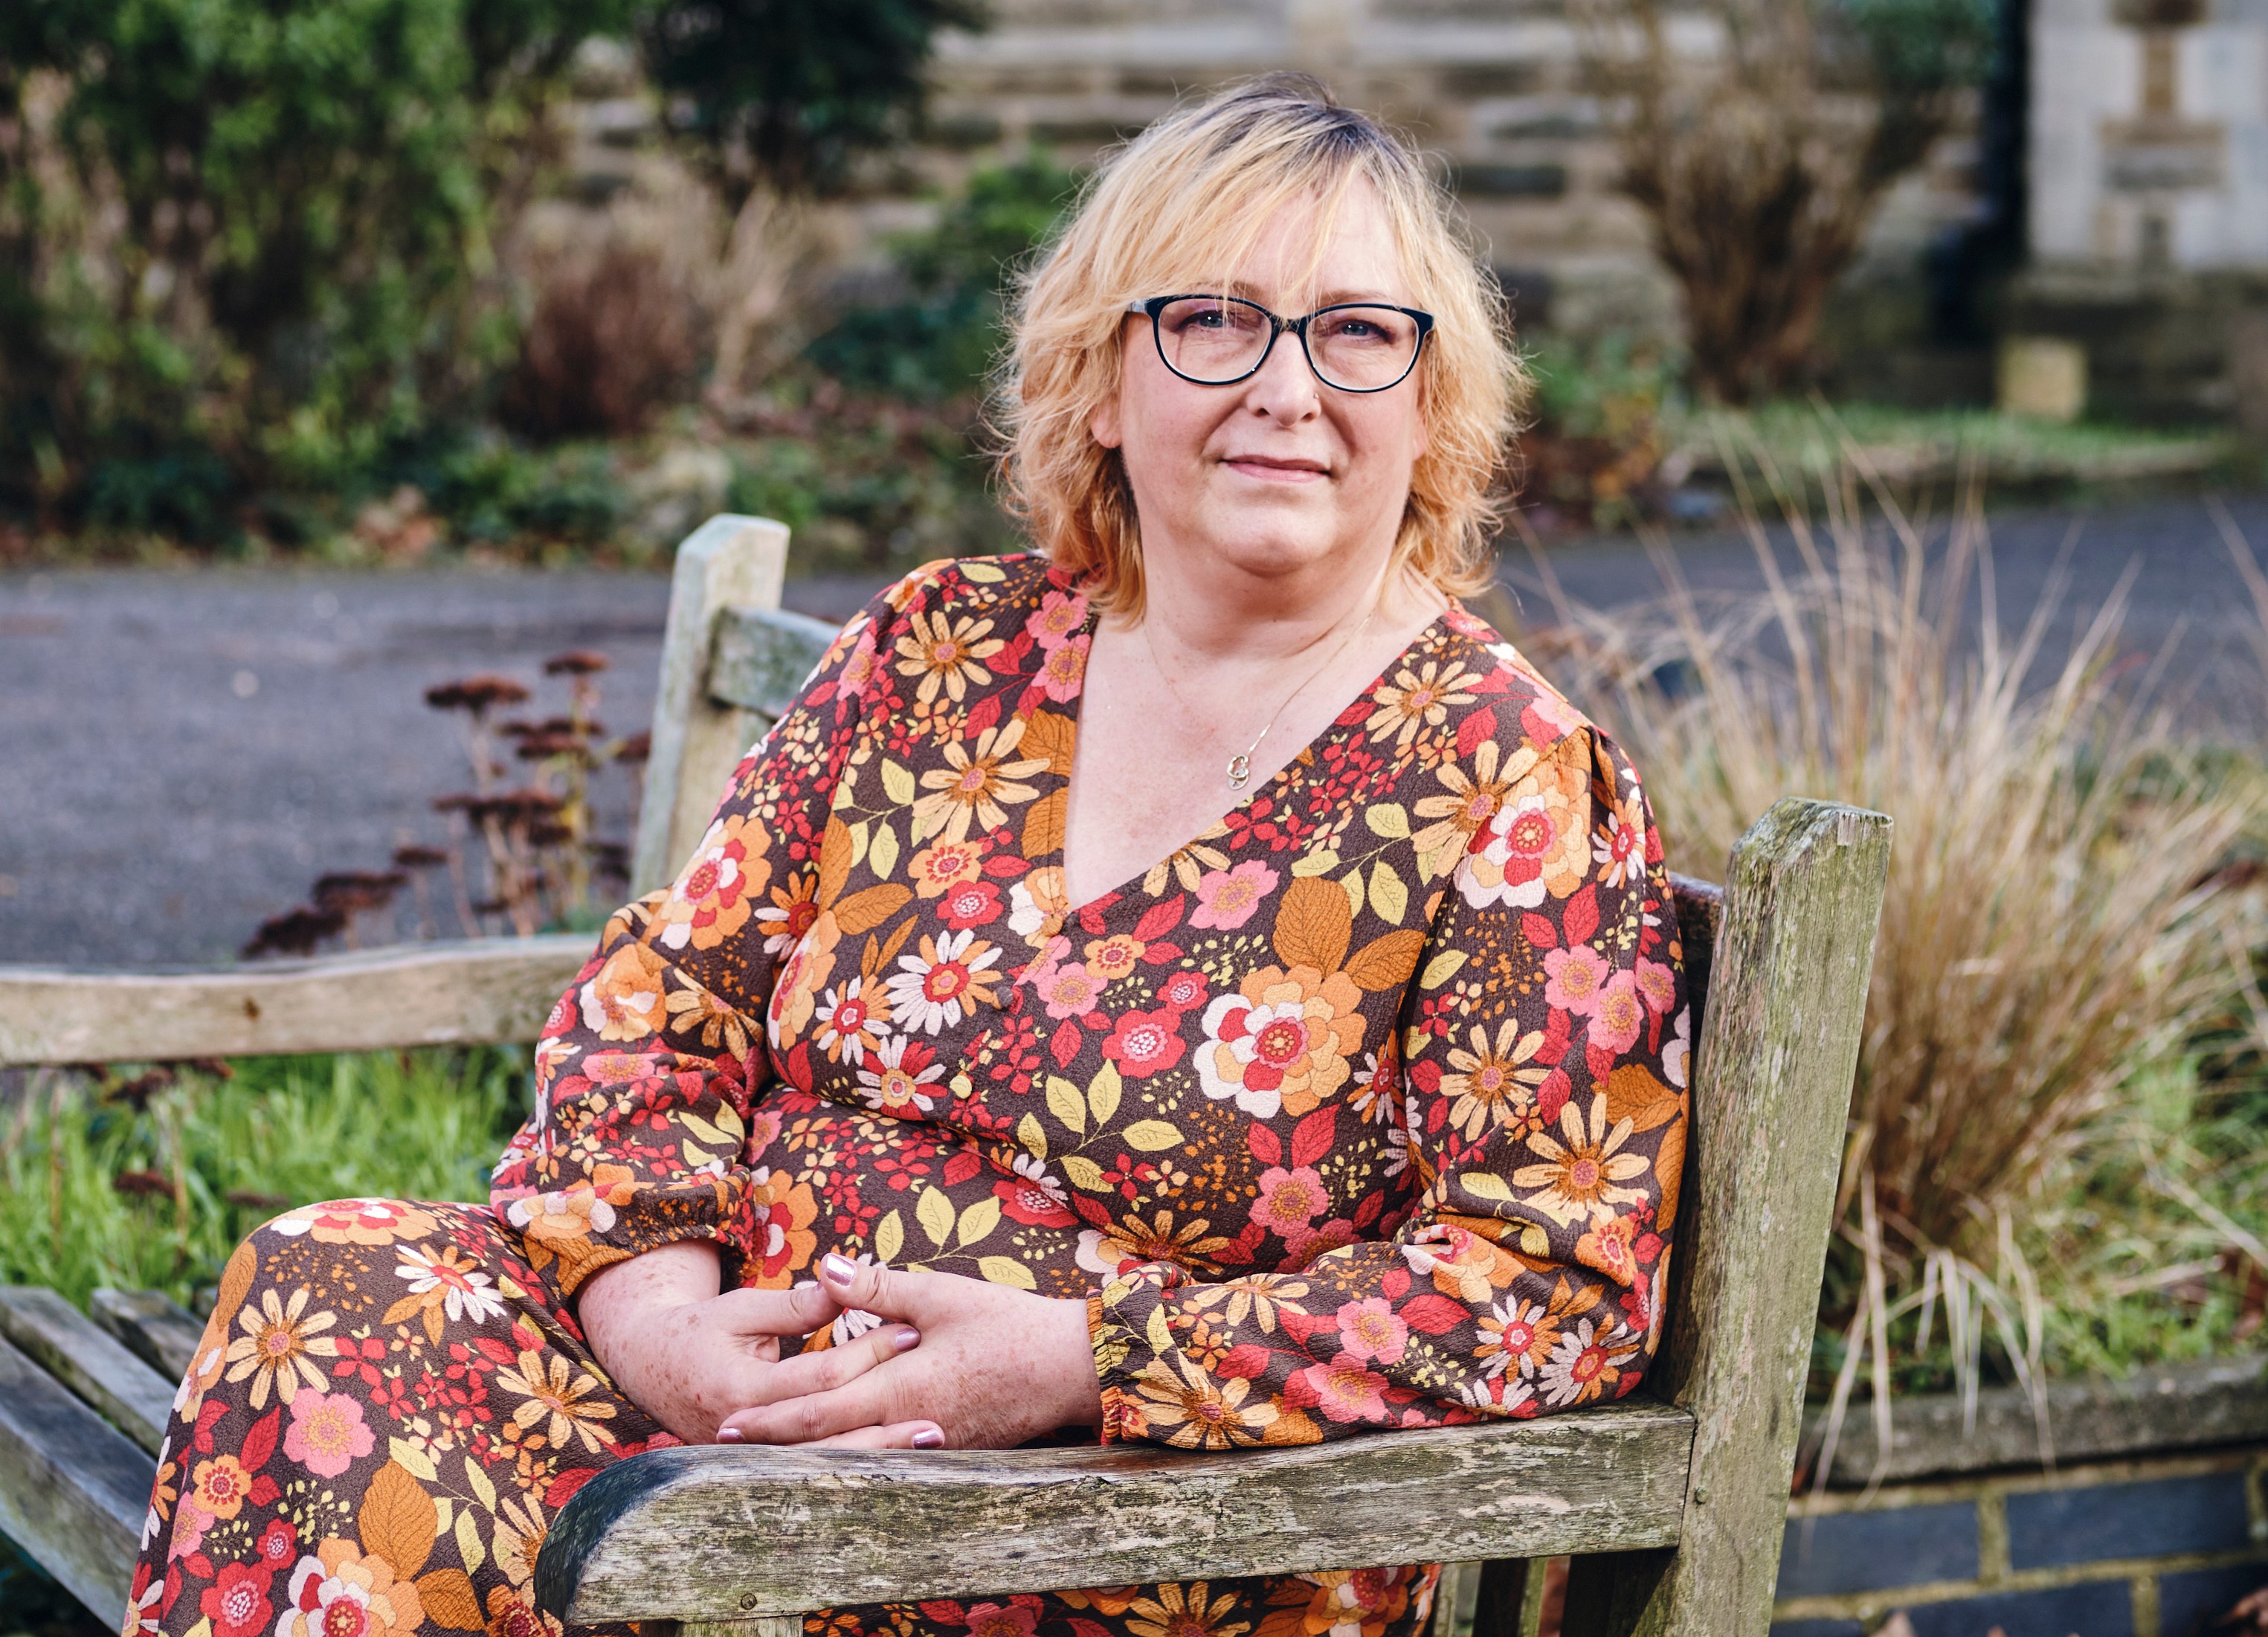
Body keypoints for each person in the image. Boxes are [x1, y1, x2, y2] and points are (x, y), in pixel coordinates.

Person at [128, 74, 1692, 1637]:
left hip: (1116, 1526)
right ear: (1097, 380)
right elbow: (664, 1010)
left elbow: (1554, 1285)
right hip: (729, 1436)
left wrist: (1090, 1358)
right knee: (327, 1293)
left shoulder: (1503, 777)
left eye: (1358, 331)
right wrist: (670, 1332)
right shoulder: (945, 648)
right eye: (1213, 320)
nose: (1288, 386)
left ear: (1427, 408)